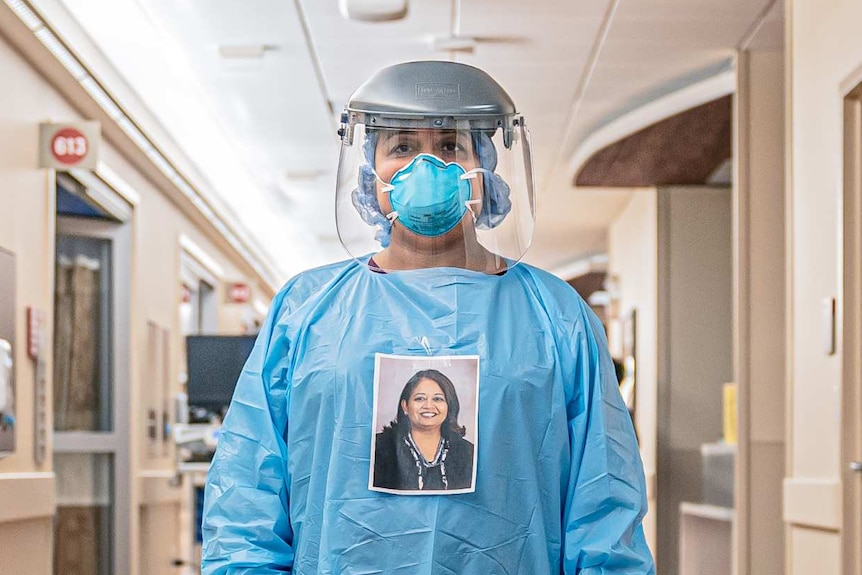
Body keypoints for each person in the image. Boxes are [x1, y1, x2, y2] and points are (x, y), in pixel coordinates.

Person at [202, 60, 655, 574]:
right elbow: (247, 495)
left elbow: (604, 500)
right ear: (371, 173)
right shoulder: (306, 309)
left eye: (450, 147)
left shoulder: (556, 315)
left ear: (484, 168)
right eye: (401, 147)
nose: (427, 166)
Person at [372, 369, 474, 491]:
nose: (428, 406)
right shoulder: (379, 447)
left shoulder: (468, 452)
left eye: (438, 399)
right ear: (405, 406)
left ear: (449, 406)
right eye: (420, 398)